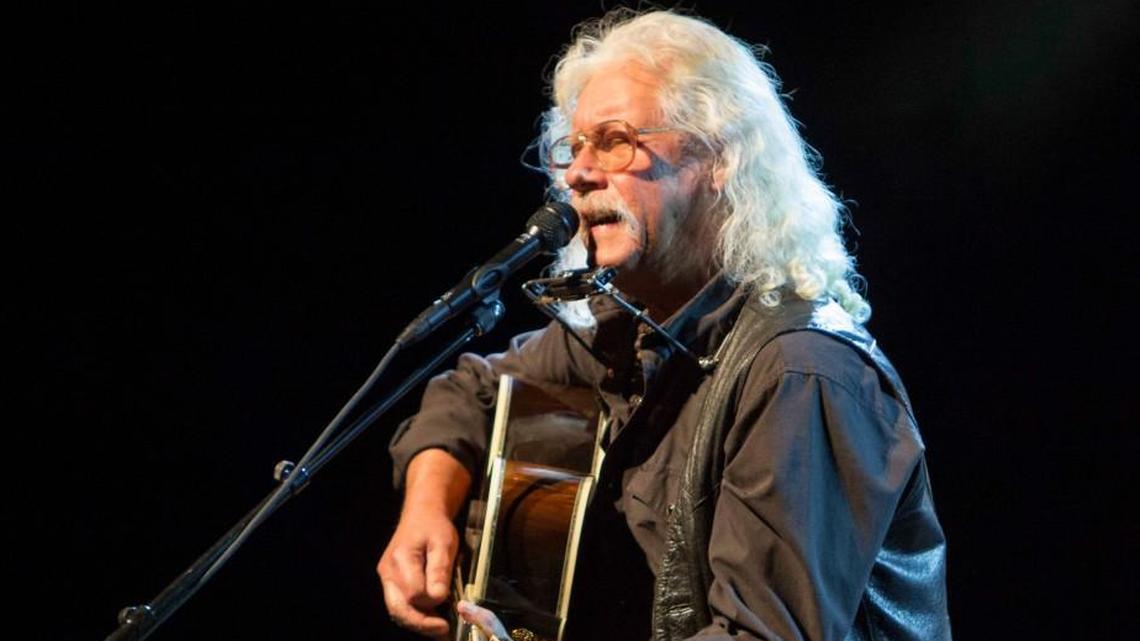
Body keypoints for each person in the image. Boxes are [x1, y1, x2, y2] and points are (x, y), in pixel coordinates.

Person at [377, 9, 951, 641]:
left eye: (615, 140)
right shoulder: (628, 335)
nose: (577, 173)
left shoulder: (800, 373)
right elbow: (472, 391)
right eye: (573, 147)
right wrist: (426, 506)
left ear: (718, 157)